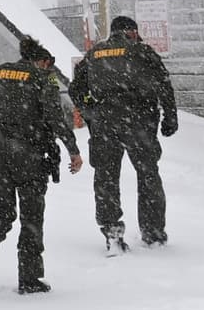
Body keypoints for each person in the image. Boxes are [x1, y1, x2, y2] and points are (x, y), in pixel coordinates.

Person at [0, 36, 82, 294]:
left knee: (2, 212)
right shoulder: (43, 78)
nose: (49, 69)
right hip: (30, 155)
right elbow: (55, 117)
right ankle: (29, 278)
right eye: (49, 64)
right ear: (42, 61)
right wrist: (73, 150)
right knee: (31, 217)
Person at [69, 15, 178, 255]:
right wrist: (170, 117)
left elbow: (76, 88)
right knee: (148, 174)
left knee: (106, 178)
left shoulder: (95, 54)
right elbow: (164, 83)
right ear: (129, 32)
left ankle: (112, 232)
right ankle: (153, 233)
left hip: (105, 123)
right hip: (138, 121)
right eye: (135, 33)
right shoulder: (141, 51)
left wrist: (91, 112)